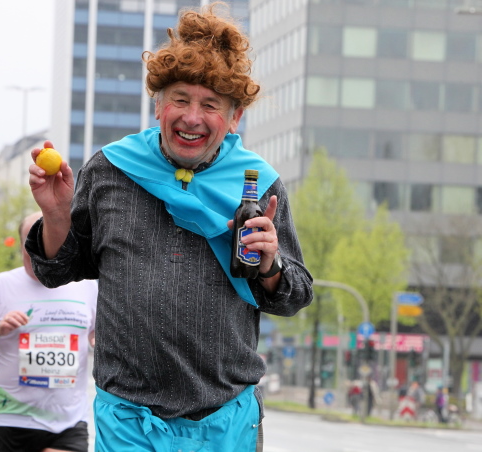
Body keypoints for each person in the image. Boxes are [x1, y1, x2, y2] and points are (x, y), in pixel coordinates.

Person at [26, 3, 313, 451]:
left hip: (225, 419)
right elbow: (56, 270)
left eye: (210, 105)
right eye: (180, 99)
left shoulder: (259, 186)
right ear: (158, 104)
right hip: (129, 419)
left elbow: (295, 296)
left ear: (234, 118)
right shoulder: (110, 169)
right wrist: (57, 214)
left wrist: (270, 265)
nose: (192, 117)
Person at [0, 212, 98, 452]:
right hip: (13, 419)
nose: (40, 245)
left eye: (48, 238)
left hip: (69, 422)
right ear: (22, 244)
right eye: (32, 239)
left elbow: (97, 333)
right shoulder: (0, 285)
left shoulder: (86, 286)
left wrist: (98, 340)